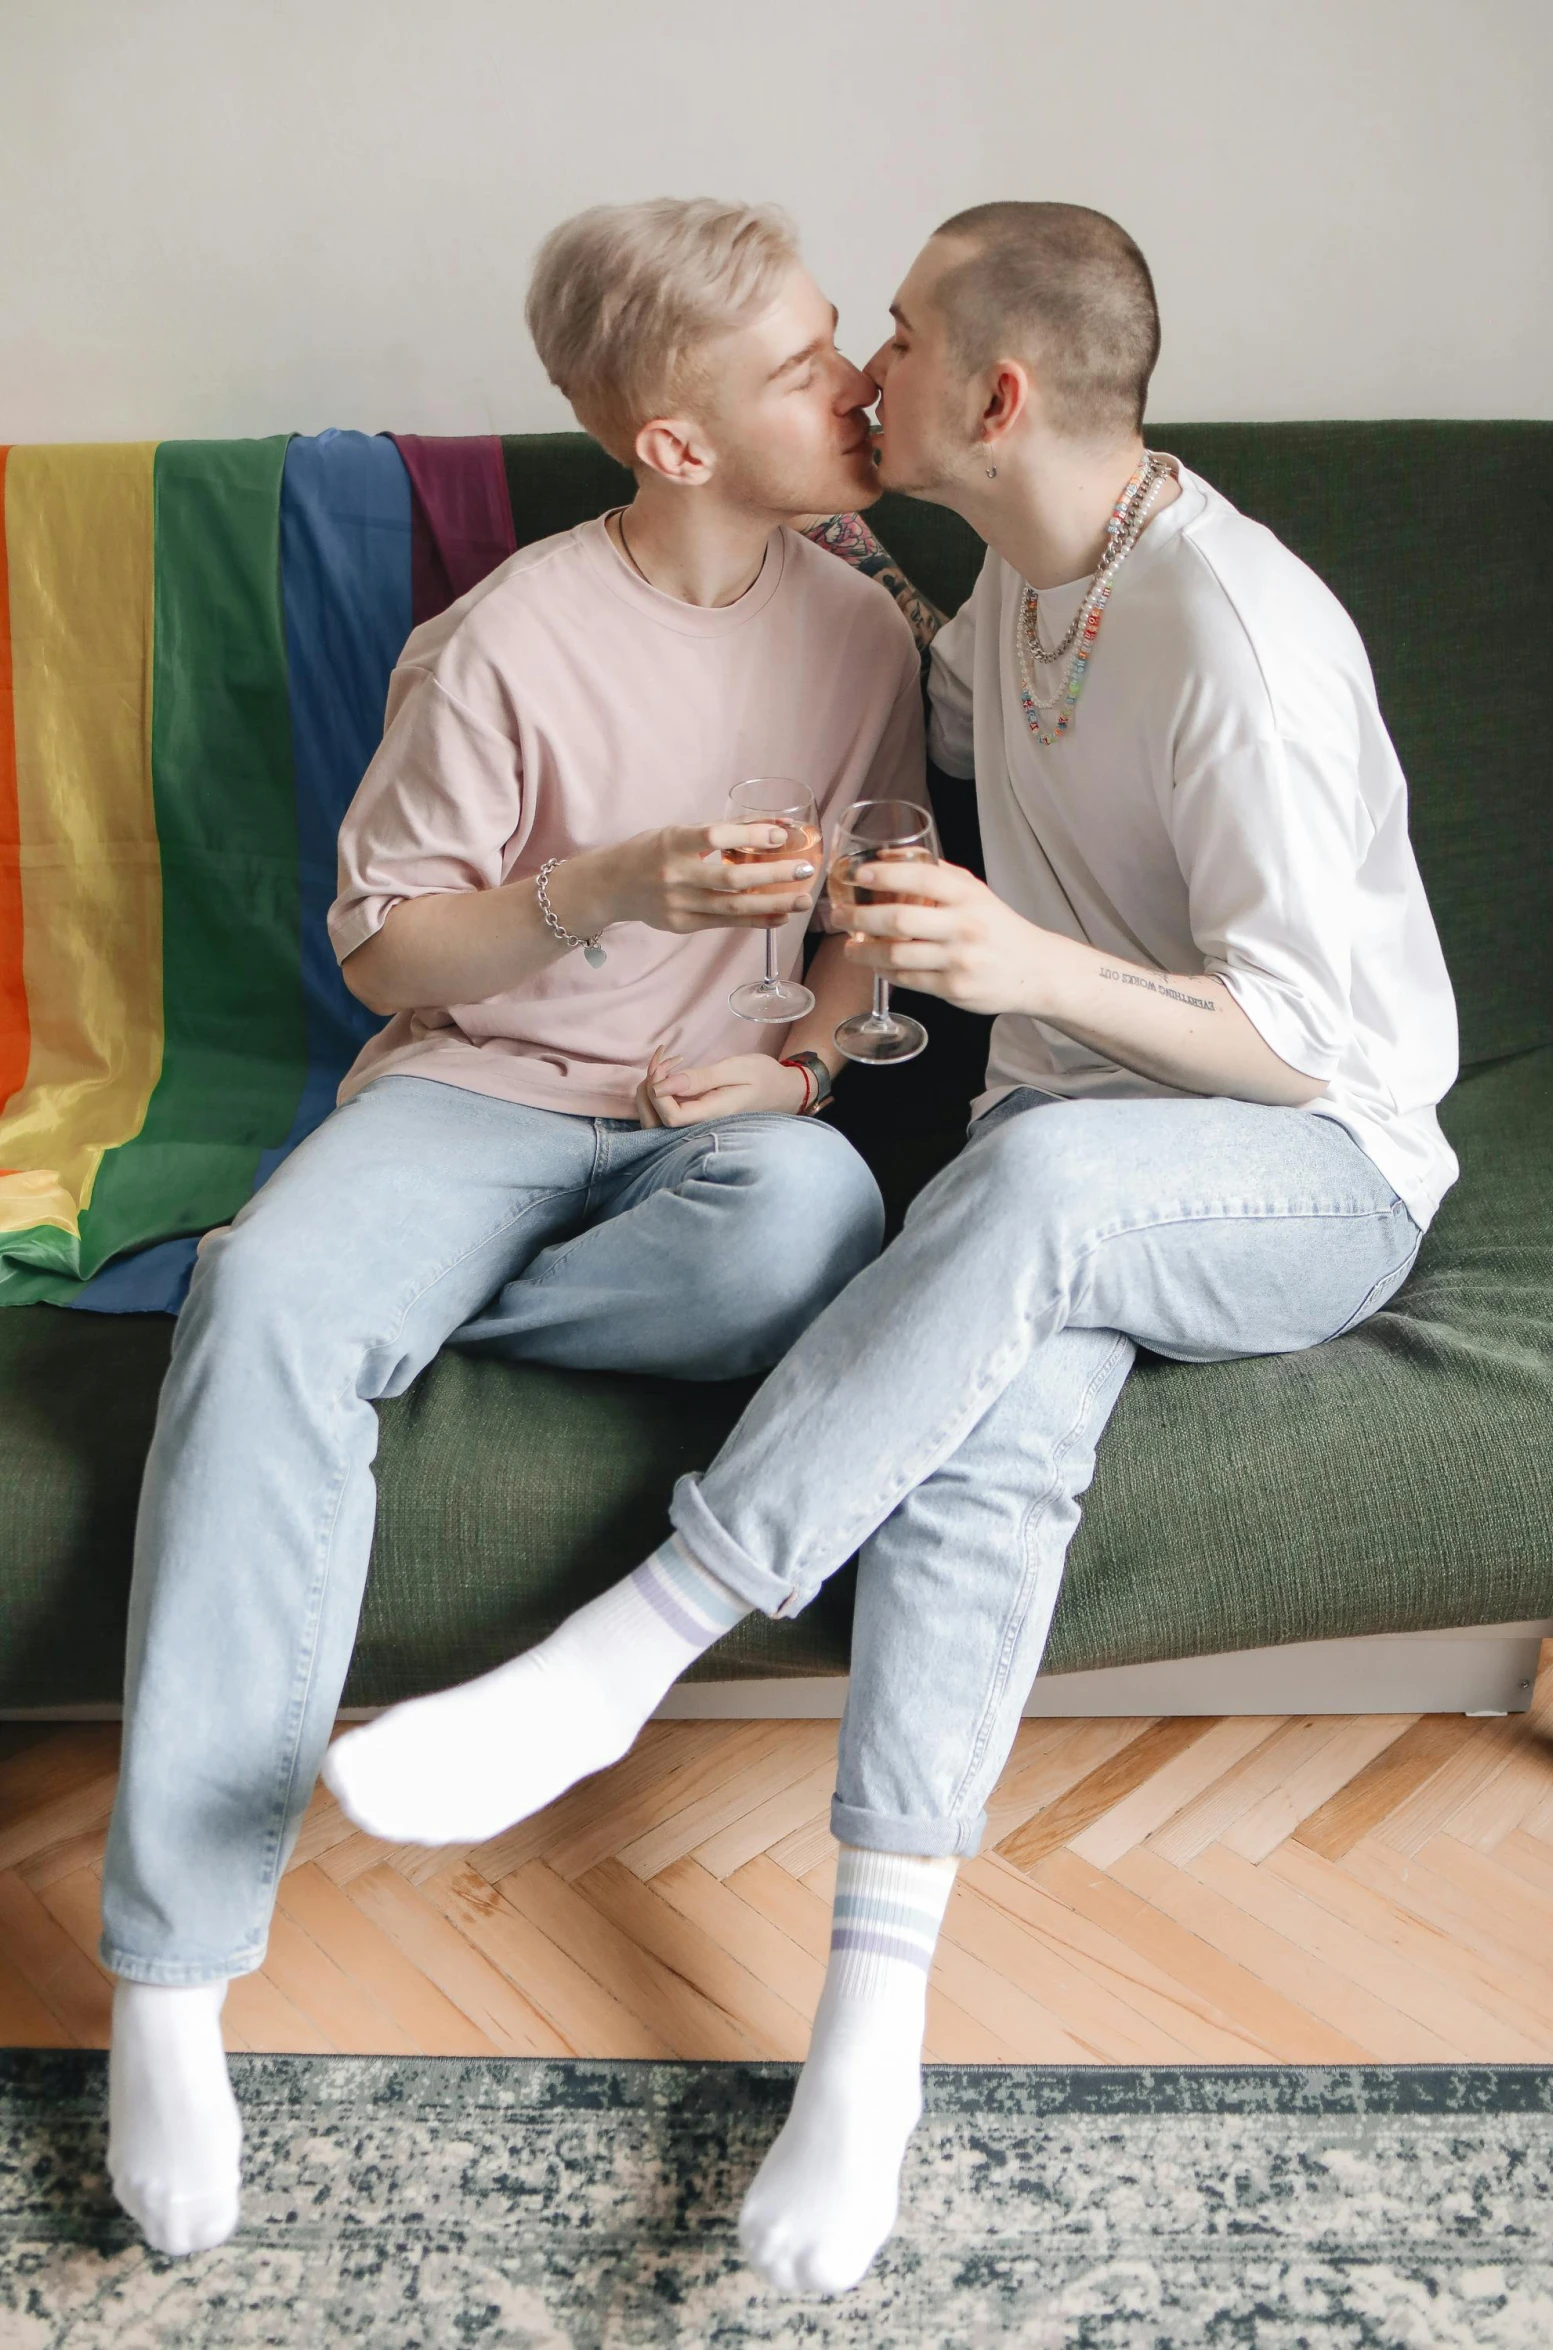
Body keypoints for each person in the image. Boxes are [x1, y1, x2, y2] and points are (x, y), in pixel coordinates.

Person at [326, 202, 1459, 2294]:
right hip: (1080, 1140)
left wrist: (1021, 960)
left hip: (1314, 1170)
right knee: (993, 1432)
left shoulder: (1240, 641)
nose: (864, 367)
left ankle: (627, 1644)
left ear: (1000, 397)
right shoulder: (1009, 588)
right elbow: (880, 765)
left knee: (1013, 1193)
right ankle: (871, 2039)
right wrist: (833, 957)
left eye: (902, 335)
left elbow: (1315, 1053)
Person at [100, 195, 928, 2258]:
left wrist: (812, 1058)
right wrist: (609, 890)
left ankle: (424, 1318)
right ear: (669, 439)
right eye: (800, 361)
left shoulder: (871, 628)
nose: (851, 383)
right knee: (279, 1293)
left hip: (715, 1128)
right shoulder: (503, 640)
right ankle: (171, 1978)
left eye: (843, 340)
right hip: (477, 1093)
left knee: (808, 1221)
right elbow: (388, 960)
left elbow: (867, 925)